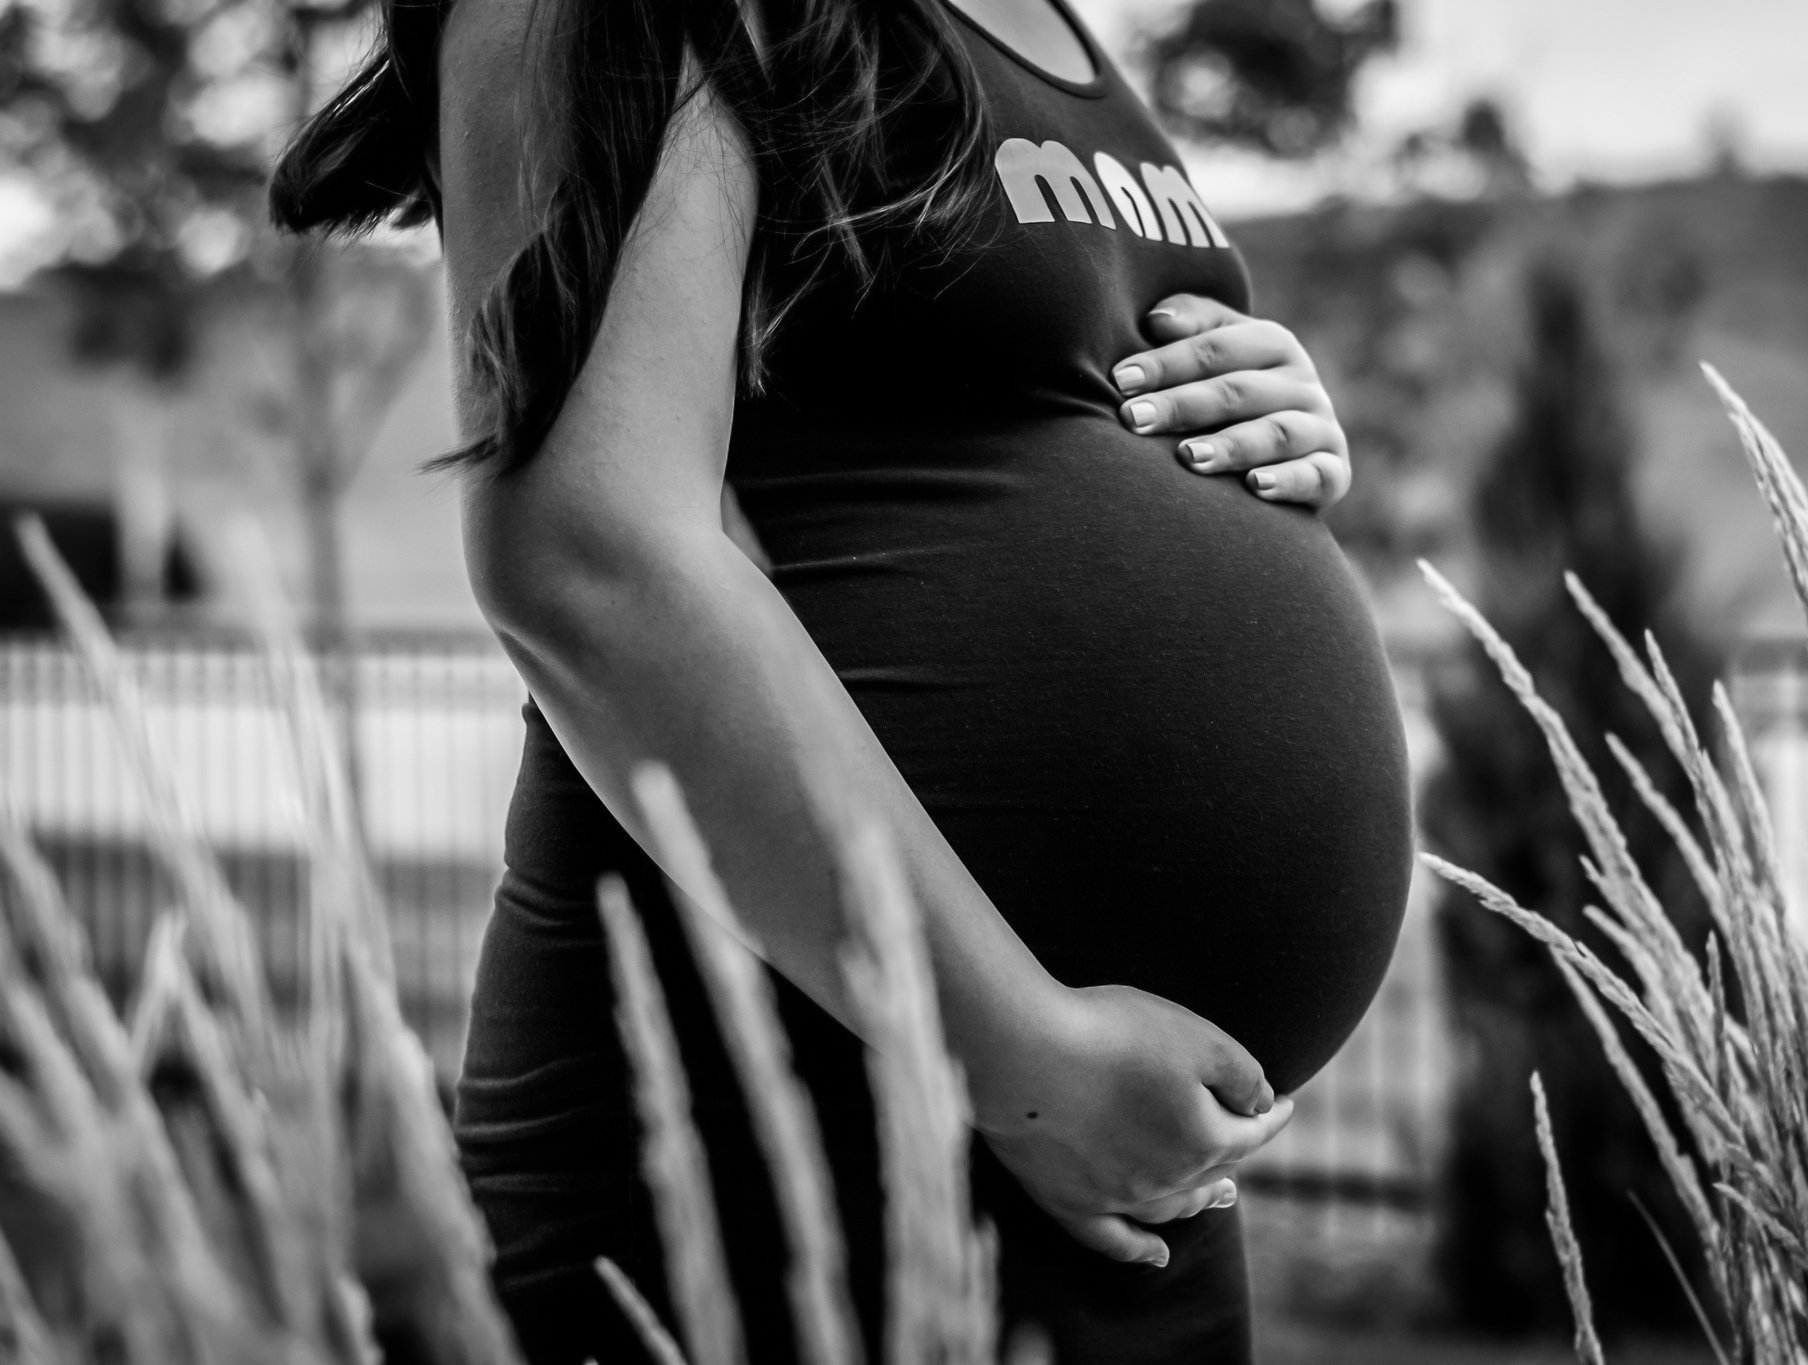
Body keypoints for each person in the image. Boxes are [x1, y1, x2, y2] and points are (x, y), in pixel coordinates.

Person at [273, 0, 1413, 1359]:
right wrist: (1015, 1051)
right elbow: (590, 547)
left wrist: (1265, 429)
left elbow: (991, 397)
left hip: (1113, 1173)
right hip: (780, 1134)